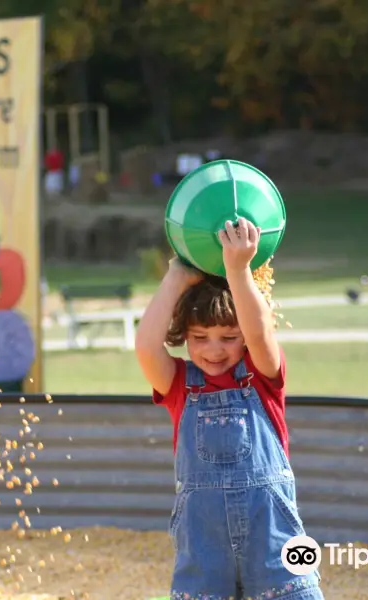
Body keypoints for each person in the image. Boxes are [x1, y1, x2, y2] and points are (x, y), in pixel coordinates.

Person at [134, 218, 323, 600]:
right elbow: (146, 348)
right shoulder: (179, 385)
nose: (214, 349)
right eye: (199, 338)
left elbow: (260, 332)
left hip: (275, 541)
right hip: (203, 549)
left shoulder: (262, 373)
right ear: (183, 337)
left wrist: (237, 270)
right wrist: (175, 278)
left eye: (228, 337)